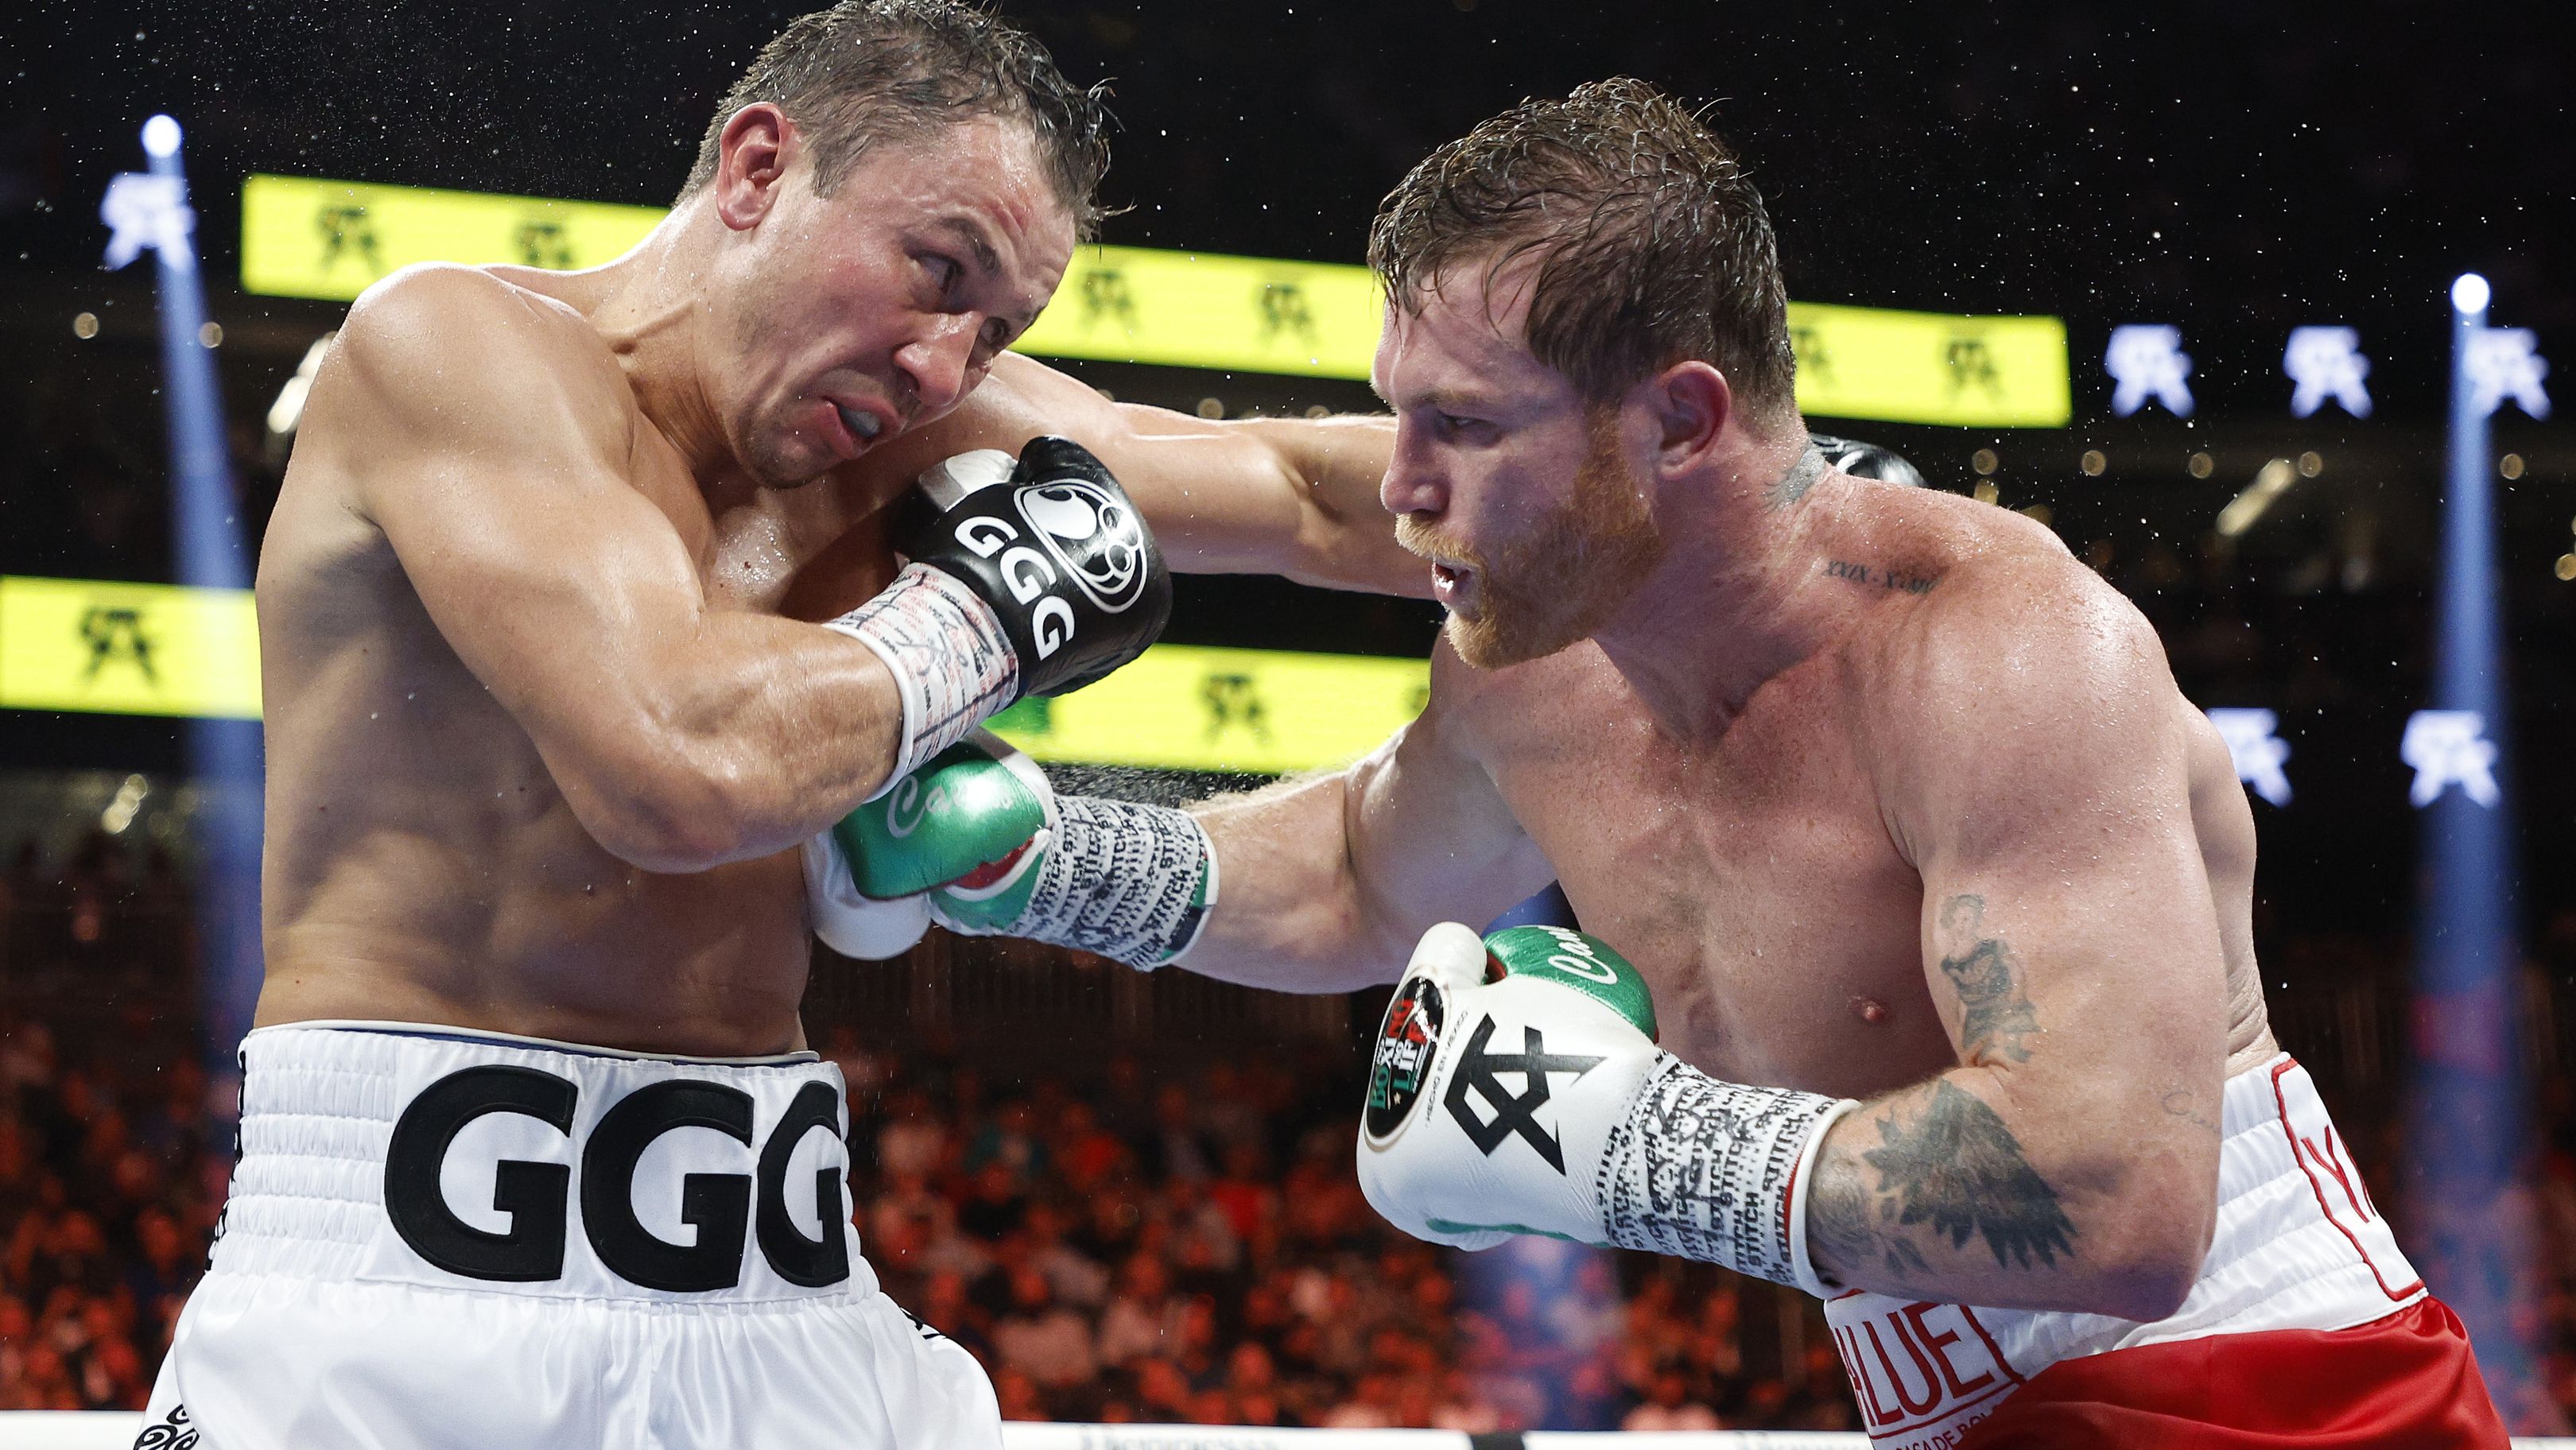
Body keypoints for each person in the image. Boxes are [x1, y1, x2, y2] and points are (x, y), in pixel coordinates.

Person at [846, 79, 2509, 1446]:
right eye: (1400, 412)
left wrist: (1632, 1150)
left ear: (1685, 423)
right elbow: (1359, 873)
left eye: (1468, 428)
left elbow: (2122, 1199)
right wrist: (1038, 856)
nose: (1403, 486)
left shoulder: (1998, 653)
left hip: (2286, 1403)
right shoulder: (1531, 660)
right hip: (1964, 1418)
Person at [136, 5, 1422, 1448]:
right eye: (938, 271)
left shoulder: (924, 436)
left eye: (995, 330)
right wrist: (987, 619)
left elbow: (1311, 495)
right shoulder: (453, 346)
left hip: (786, 1294)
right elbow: (675, 769)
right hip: (392, 1305)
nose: (949, 363)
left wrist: (1672, 497)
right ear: (757, 169)